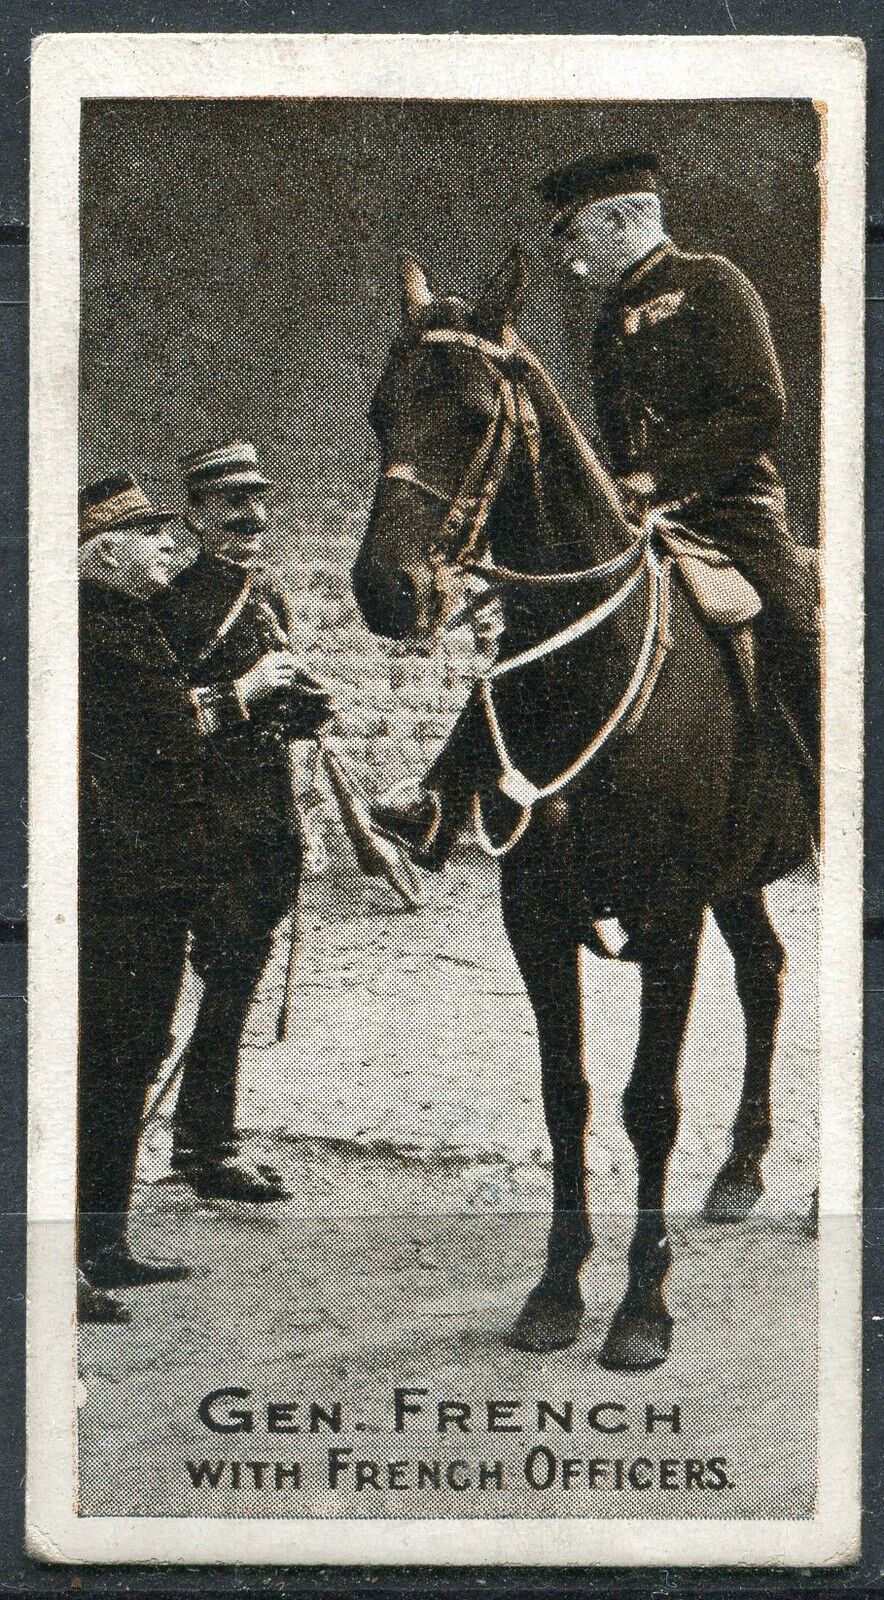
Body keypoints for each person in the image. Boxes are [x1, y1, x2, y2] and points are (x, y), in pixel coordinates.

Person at [371, 150, 820, 862]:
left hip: (732, 509)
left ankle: (832, 794)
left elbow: (761, 406)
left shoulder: (712, 281)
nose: (569, 255)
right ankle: (443, 795)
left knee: (796, 622)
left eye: (575, 235)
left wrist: (657, 480)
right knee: (536, 632)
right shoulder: (609, 318)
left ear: (619, 219)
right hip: (634, 510)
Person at [78, 471, 267, 1323]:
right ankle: (72, 1257)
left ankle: (104, 1243)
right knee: (102, 1059)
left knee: (132, 1052)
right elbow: (163, 733)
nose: (169, 545)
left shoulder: (126, 618)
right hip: (115, 885)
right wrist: (247, 697)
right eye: (153, 534)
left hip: (153, 883)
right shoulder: (90, 627)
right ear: (106, 553)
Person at [152, 440, 333, 1202]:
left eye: (258, 501)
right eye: (230, 504)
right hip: (199, 821)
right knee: (170, 990)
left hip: (264, 818)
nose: (251, 517)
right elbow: (161, 724)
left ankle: (205, 1142)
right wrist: (247, 694)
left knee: (235, 982)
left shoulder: (269, 598)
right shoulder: (170, 604)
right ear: (196, 516)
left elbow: (270, 711)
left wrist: (304, 708)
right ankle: (190, 1145)